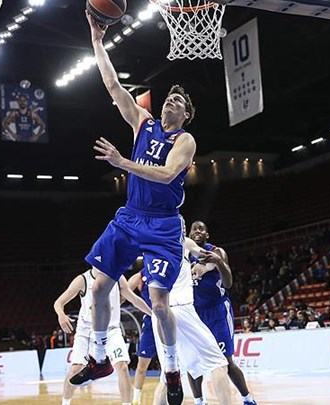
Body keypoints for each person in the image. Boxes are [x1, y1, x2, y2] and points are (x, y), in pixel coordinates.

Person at [70, 12, 198, 405]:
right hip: (129, 217)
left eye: (178, 101)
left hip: (162, 226)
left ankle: (172, 370)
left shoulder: (186, 140)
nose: (170, 103)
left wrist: (122, 162)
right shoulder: (143, 122)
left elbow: (166, 174)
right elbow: (111, 83)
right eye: (169, 98)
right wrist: (96, 38)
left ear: (185, 114)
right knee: (100, 285)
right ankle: (97, 357)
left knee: (159, 303)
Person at [150, 238, 232, 405]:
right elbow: (209, 257)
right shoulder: (184, 242)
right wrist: (213, 262)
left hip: (159, 314)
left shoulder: (151, 244)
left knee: (167, 376)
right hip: (181, 309)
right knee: (219, 363)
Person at [54, 267, 152, 405]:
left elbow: (135, 299)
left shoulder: (118, 277)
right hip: (87, 332)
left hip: (111, 330)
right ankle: (65, 402)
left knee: (123, 367)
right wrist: (61, 315)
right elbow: (58, 303)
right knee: (75, 370)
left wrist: (153, 314)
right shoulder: (83, 280)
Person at [186, 221, 257, 405]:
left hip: (217, 311)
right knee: (193, 363)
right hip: (195, 313)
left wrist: (217, 264)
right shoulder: (185, 253)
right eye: (195, 229)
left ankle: (247, 398)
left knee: (225, 361)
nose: (198, 231)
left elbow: (228, 283)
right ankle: (199, 401)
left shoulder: (217, 252)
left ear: (207, 235)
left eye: (202, 229)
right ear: (189, 233)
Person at [126, 258, 158, 405]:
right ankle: (135, 400)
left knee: (174, 364)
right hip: (151, 321)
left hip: (170, 318)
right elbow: (123, 293)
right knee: (142, 365)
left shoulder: (167, 268)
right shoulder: (139, 276)